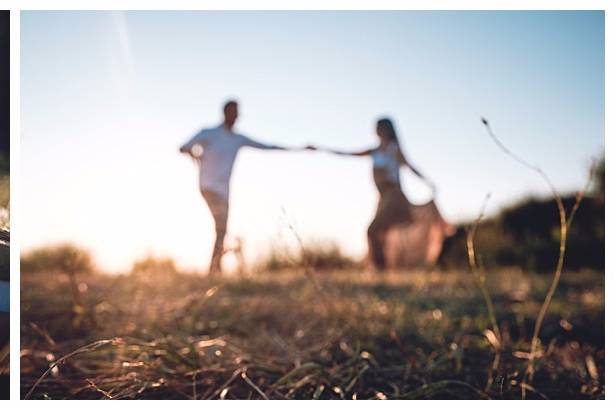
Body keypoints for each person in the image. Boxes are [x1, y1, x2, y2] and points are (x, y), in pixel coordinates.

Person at [180, 100, 301, 276]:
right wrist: (196, 155)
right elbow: (183, 147)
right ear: (225, 113)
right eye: (233, 112)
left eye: (237, 113)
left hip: (224, 192)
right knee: (221, 227)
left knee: (222, 229)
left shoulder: (237, 139)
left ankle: (215, 267)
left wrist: (296, 148)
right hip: (208, 187)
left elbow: (265, 146)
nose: (236, 116)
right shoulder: (209, 133)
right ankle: (214, 269)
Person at [312, 118, 435, 270]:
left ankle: (380, 268)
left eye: (379, 127)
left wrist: (428, 182)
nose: (376, 130)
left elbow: (410, 166)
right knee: (380, 233)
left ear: (386, 129)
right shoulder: (374, 151)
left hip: (394, 197)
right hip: (383, 198)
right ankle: (383, 269)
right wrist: (322, 149)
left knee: (373, 230)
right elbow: (349, 153)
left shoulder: (394, 149)